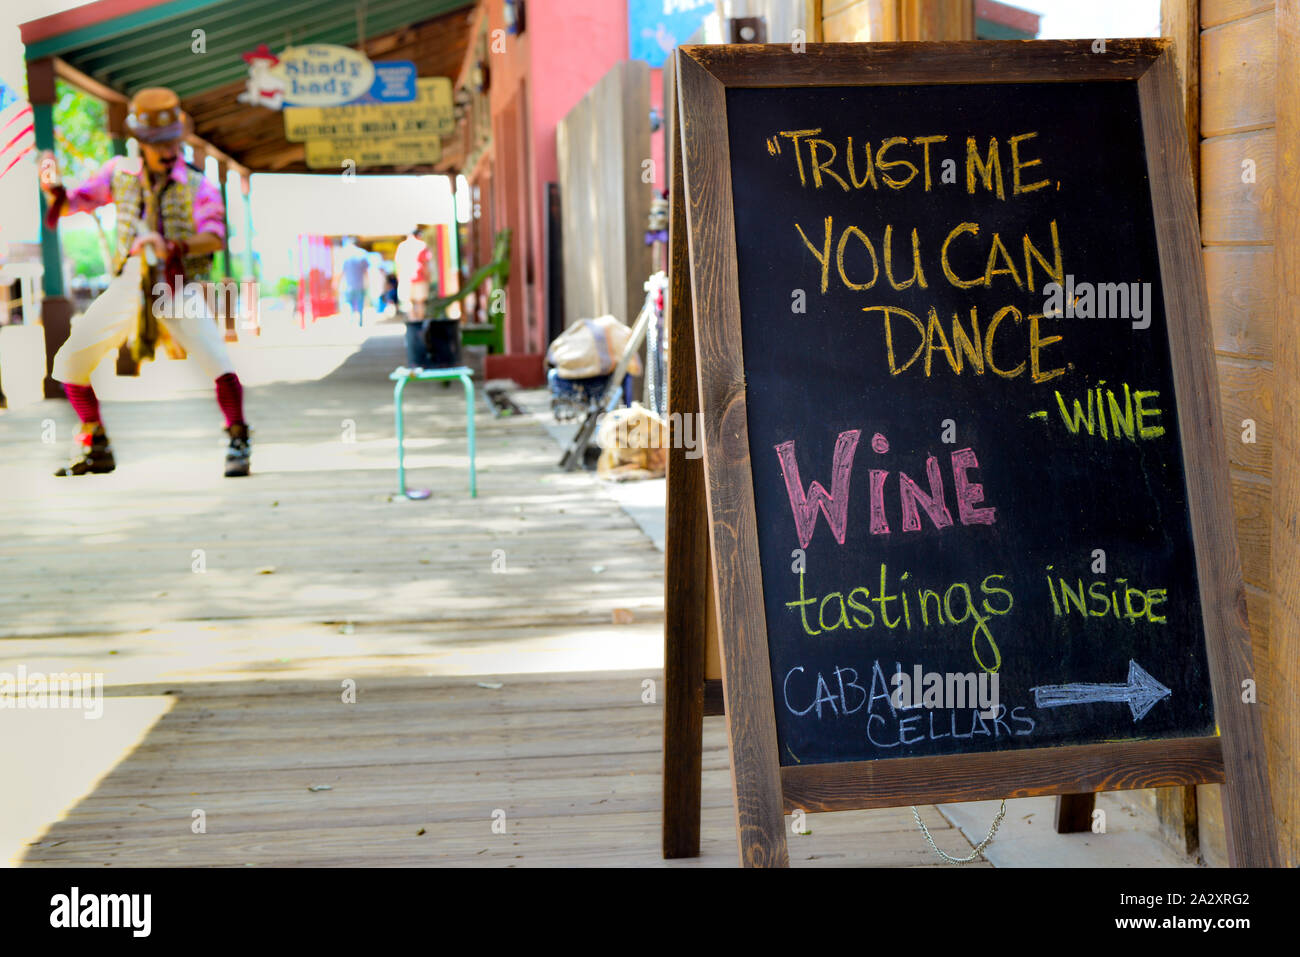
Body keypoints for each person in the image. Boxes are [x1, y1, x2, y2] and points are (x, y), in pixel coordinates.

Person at [39, 87, 252, 478]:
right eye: (158, 143)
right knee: (70, 361)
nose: (167, 149)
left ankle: (238, 440)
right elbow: (76, 201)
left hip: (175, 283)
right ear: (141, 143)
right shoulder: (119, 173)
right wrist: (53, 187)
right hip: (131, 280)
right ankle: (95, 442)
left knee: (217, 361)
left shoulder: (197, 183)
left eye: (172, 140)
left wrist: (172, 244)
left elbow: (215, 235)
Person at [395, 227, 434, 367]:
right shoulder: (422, 245)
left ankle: (412, 329)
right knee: (420, 303)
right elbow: (426, 264)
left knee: (409, 305)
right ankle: (420, 328)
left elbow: (398, 265)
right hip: (420, 278)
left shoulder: (402, 246)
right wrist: (429, 278)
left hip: (406, 279)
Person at [337, 237, 369, 326]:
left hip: (347, 285)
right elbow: (366, 271)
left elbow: (340, 271)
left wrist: (336, 282)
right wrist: (368, 283)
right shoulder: (362, 253)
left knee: (348, 304)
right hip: (360, 284)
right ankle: (360, 321)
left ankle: (350, 322)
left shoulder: (343, 254)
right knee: (360, 304)